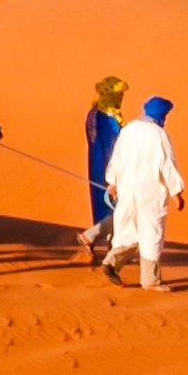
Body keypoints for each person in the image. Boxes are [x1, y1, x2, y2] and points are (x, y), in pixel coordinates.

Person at [102, 94, 186, 290]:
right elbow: (167, 164)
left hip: (126, 188)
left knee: (128, 228)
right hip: (150, 191)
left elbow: (117, 156)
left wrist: (112, 182)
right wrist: (177, 193)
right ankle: (150, 281)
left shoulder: (129, 129)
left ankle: (110, 263)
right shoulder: (158, 134)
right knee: (151, 231)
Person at [76, 75, 129, 257]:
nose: (121, 97)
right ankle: (101, 244)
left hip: (102, 165)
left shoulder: (99, 112)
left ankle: (106, 246)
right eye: (118, 94)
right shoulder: (105, 116)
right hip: (108, 168)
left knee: (113, 206)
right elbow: (112, 145)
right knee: (118, 207)